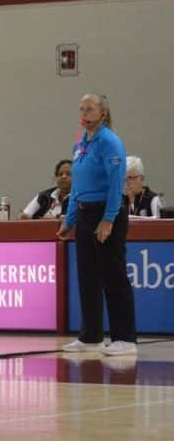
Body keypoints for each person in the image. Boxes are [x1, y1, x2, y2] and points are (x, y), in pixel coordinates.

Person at [57, 93, 136, 357]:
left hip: (106, 213)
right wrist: (69, 220)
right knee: (87, 277)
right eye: (81, 109)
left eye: (89, 109)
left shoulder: (110, 142)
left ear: (102, 113)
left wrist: (108, 219)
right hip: (85, 213)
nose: (84, 113)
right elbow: (78, 185)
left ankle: (124, 338)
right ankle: (91, 336)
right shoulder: (80, 143)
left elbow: (116, 185)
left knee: (113, 276)